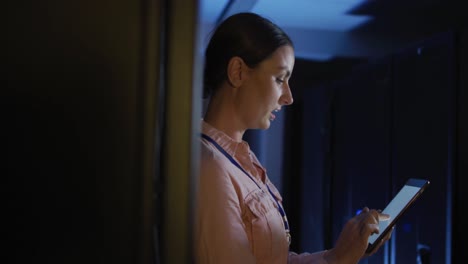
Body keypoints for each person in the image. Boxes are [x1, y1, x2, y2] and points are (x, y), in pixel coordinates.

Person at [195, 12, 391, 264]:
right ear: (238, 72)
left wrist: (338, 254)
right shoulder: (209, 167)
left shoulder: (239, 161)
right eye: (279, 79)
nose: (288, 97)